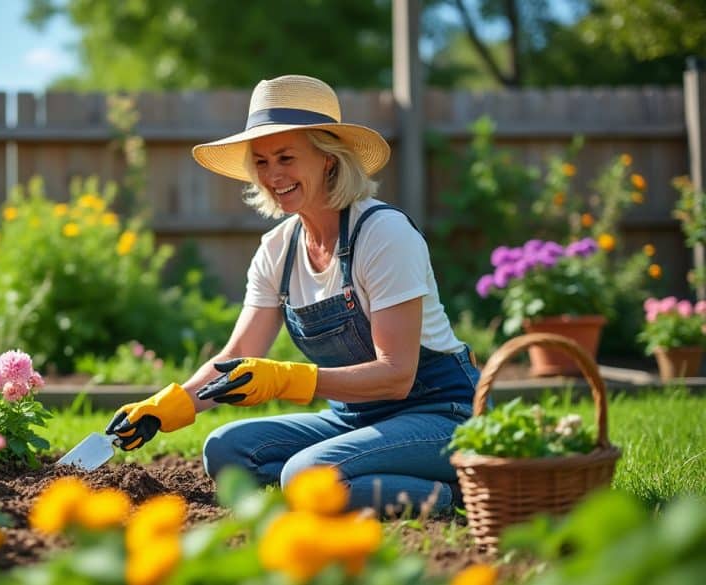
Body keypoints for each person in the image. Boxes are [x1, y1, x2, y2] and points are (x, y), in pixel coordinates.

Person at [105, 74, 479, 513]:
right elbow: (241, 350)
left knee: (305, 475)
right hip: (352, 417)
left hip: (439, 415)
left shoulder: (383, 234)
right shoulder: (278, 250)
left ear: (328, 159)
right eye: (261, 162)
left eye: (286, 157)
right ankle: (363, 480)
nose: (272, 175)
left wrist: (287, 378)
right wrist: (168, 405)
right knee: (224, 449)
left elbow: (397, 376)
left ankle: (447, 495)